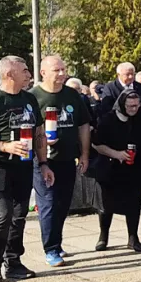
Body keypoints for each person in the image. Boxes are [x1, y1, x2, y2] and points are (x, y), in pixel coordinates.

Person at [0, 56, 51, 282]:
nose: (28, 75)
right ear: (9, 74)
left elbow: (39, 133)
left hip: (24, 164)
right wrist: (3, 145)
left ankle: (13, 262)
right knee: (3, 214)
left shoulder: (29, 99)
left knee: (20, 214)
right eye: (24, 70)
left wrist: (43, 164)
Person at [31, 56, 91, 267]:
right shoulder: (33, 97)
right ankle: (50, 249)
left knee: (63, 203)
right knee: (48, 203)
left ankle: (56, 242)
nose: (62, 73)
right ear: (43, 73)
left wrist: (84, 154)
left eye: (64, 69)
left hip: (67, 158)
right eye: (57, 70)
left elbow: (83, 125)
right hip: (43, 160)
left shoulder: (72, 95)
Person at [92, 90, 141, 252]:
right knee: (106, 204)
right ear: (122, 104)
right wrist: (116, 154)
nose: (133, 109)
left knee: (134, 203)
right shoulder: (108, 119)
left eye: (136, 105)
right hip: (111, 167)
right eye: (130, 106)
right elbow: (96, 144)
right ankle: (103, 237)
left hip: (135, 166)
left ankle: (133, 238)